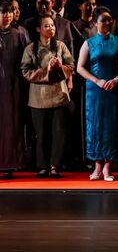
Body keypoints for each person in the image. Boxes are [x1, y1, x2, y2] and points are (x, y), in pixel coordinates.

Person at [76, 7, 118, 181]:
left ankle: (107, 168)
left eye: (109, 19)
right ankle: (96, 167)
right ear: (95, 22)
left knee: (110, 126)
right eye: (103, 20)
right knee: (95, 125)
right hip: (94, 89)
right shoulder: (88, 43)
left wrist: (117, 79)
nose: (107, 22)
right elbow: (79, 67)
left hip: (112, 88)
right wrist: (96, 80)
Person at [21, 14, 74, 178]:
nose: (51, 28)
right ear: (38, 29)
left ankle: (55, 165)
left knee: (59, 133)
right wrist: (47, 70)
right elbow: (26, 72)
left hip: (59, 95)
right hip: (39, 98)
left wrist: (60, 67)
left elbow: (71, 65)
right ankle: (43, 166)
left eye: (52, 25)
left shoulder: (60, 46)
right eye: (46, 26)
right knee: (41, 134)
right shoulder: (31, 49)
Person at [0, 1, 26, 178]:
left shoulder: (18, 34)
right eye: (3, 12)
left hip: (13, 83)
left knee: (12, 122)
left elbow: (24, 61)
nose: (8, 15)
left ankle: (10, 163)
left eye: (9, 12)